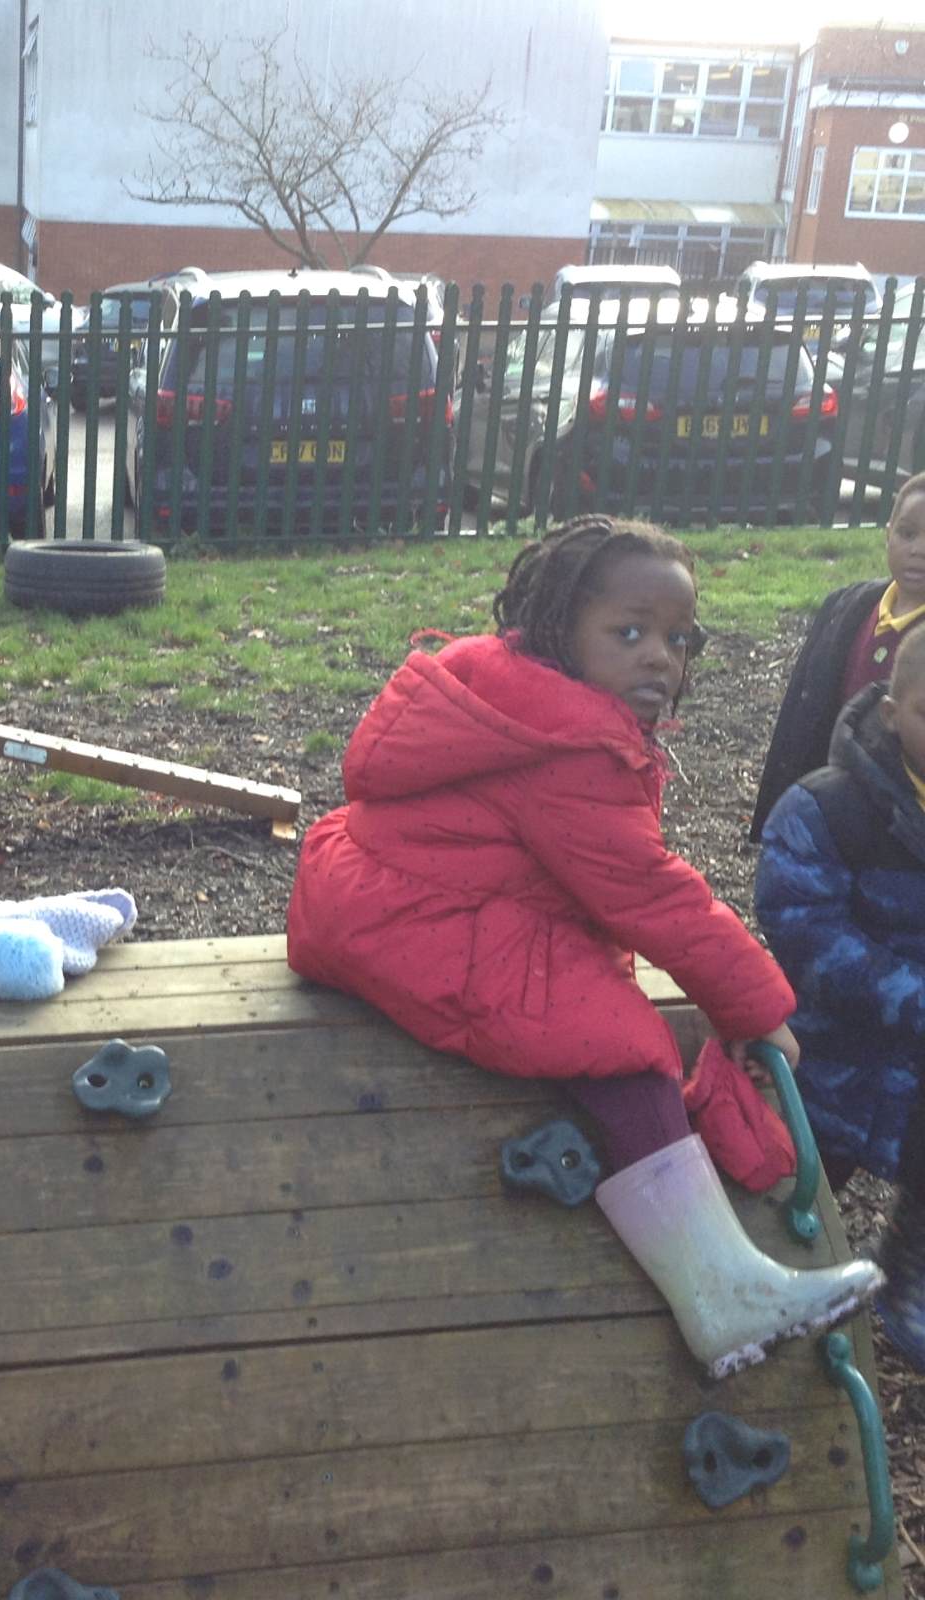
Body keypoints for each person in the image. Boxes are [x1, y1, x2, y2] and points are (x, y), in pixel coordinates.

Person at [287, 515, 882, 1381]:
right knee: (622, 1048)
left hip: (373, 892)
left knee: (595, 991)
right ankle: (719, 1290)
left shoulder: (513, 693)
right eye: (629, 633)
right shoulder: (568, 746)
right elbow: (648, 893)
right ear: (561, 627)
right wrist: (759, 1009)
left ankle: (725, 1275)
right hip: (421, 923)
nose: (660, 659)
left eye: (678, 639)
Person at [756, 624, 925, 1368]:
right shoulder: (828, 807)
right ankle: (777, 1273)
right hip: (839, 1050)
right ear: (892, 712)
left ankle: (908, 1274)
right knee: (803, 1172)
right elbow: (804, 926)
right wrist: (909, 997)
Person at [750, 471, 925, 840]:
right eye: (908, 534)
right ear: (888, 534)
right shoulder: (846, 608)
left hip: (902, 821)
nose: (918, 550)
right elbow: (802, 713)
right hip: (828, 798)